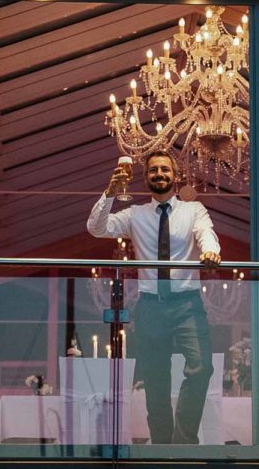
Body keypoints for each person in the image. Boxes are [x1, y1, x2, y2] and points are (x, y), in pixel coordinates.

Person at [87, 151, 221, 444]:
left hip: (188, 304)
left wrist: (211, 251)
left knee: (201, 368)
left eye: (164, 169)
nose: (159, 174)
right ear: (146, 178)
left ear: (175, 175)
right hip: (150, 306)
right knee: (156, 379)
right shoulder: (135, 214)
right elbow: (96, 228)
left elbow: (206, 233)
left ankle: (183, 442)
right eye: (153, 171)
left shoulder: (193, 210)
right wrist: (110, 192)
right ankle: (161, 446)